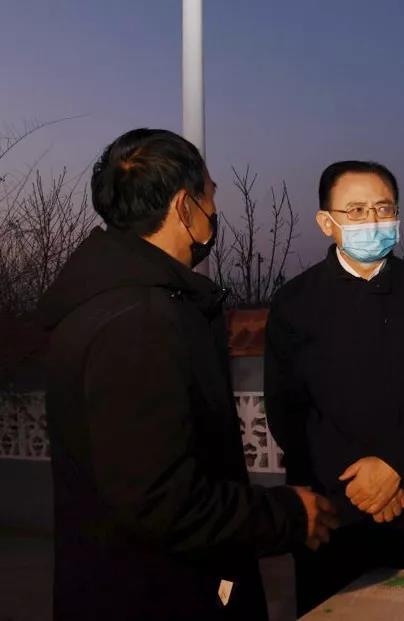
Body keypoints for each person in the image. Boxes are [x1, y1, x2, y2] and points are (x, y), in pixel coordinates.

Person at [39, 129, 338, 621]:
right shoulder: (140, 322)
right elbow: (163, 502)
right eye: (211, 194)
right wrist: (286, 515)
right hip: (158, 596)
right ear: (184, 206)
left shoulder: (104, 304)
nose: (214, 210)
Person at [264, 160, 404, 615]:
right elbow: (288, 411)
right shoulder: (294, 302)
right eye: (356, 210)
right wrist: (365, 486)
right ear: (327, 222)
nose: (372, 220)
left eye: (383, 208)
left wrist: (396, 466)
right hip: (332, 512)